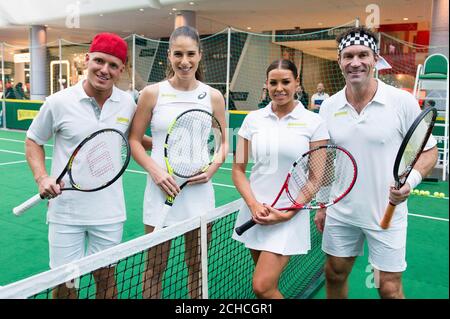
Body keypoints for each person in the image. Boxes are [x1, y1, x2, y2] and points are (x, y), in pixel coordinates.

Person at [25, 32, 151, 299]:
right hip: (66, 213)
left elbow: (134, 139)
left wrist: (171, 144)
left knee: (107, 279)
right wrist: (42, 178)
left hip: (109, 212)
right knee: (66, 283)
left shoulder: (127, 103)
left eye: (113, 65)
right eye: (99, 61)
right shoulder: (58, 102)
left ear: (121, 70)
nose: (104, 70)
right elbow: (33, 140)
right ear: (87, 60)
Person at [315, 26, 438, 299]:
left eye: (362, 55)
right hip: (341, 212)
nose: (355, 62)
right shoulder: (328, 106)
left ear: (375, 59)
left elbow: (430, 153)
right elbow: (325, 160)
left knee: (389, 289)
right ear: (339, 61)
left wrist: (411, 182)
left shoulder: (401, 102)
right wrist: (323, 204)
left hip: (387, 213)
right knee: (333, 274)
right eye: (348, 56)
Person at [128, 25, 228, 299]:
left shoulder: (213, 96)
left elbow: (223, 144)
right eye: (178, 54)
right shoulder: (152, 93)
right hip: (160, 192)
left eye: (191, 54)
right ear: (169, 56)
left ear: (200, 55)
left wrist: (212, 169)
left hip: (199, 193)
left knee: (197, 266)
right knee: (154, 267)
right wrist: (155, 171)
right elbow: (134, 140)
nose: (185, 61)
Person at [231, 59, 329, 299]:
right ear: (266, 84)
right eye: (273, 82)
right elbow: (238, 169)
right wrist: (254, 205)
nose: (279, 88)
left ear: (297, 83)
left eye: (286, 82)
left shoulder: (314, 123)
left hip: (288, 215)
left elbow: (315, 178)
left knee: (262, 286)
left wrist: (288, 212)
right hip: (255, 212)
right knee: (268, 288)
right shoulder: (252, 120)